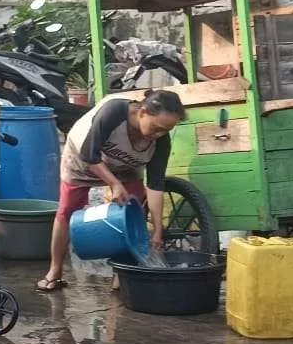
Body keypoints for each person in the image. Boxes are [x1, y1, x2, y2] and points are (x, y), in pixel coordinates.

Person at [37, 90, 186, 292]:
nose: (158, 135)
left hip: (125, 167)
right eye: (156, 128)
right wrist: (114, 184)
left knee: (131, 215)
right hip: (83, 159)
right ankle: (55, 270)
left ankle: (121, 273)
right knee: (66, 211)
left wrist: (158, 229)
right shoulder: (114, 112)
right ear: (142, 112)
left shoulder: (161, 140)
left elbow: (155, 184)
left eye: (166, 130)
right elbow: (90, 154)